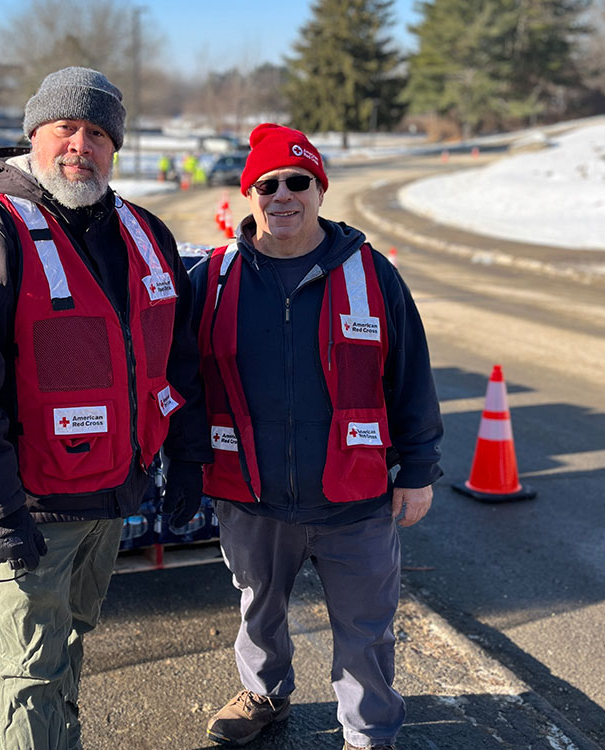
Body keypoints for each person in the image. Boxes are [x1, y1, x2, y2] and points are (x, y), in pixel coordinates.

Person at [0, 67, 211, 750]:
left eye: (100, 133)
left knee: (73, 638)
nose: (82, 144)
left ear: (116, 148)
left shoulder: (144, 232)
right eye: (66, 128)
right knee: (25, 668)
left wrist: (188, 459)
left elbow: (178, 359)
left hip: (111, 492)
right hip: (29, 504)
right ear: (34, 136)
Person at [190, 123, 443, 750]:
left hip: (352, 496)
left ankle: (368, 730)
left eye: (297, 181)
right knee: (257, 608)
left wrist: (418, 470)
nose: (283, 195)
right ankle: (265, 695)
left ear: (320, 190)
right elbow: (177, 379)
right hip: (249, 492)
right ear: (248, 194)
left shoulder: (371, 275)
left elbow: (410, 376)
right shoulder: (212, 279)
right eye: (266, 184)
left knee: (366, 625)